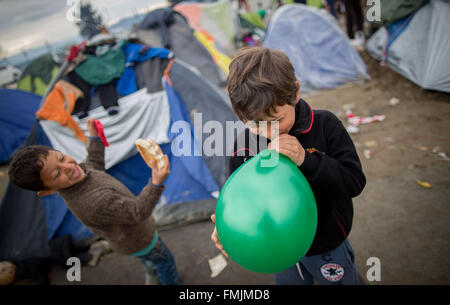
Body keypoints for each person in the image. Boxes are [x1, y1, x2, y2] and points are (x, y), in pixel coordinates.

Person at [211, 47, 366, 285]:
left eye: (276, 121)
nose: (269, 132)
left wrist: (307, 160)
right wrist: (226, 226)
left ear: (294, 92)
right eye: (256, 125)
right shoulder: (244, 145)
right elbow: (237, 195)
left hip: (326, 246)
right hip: (277, 251)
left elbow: (354, 181)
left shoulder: (325, 126)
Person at [8, 118, 179, 285]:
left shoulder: (79, 175)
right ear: (48, 190)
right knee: (165, 263)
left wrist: (95, 138)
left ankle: (151, 277)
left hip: (133, 240)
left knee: (151, 262)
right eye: (56, 174)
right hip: (140, 239)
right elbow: (137, 211)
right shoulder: (93, 202)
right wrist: (156, 183)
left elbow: (94, 164)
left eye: (61, 158)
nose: (68, 167)